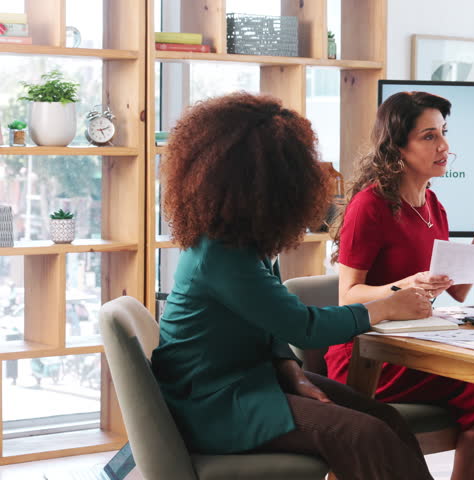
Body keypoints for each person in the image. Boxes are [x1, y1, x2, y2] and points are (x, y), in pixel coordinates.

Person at [151, 92, 435, 480]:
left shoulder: (243, 242)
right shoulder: (222, 255)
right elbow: (303, 326)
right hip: (214, 404)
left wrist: (290, 369)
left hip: (248, 381)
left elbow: (269, 321)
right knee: (363, 434)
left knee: (384, 417)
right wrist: (385, 306)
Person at [329, 91, 474, 480]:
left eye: (443, 132)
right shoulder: (370, 206)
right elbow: (346, 296)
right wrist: (405, 285)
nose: (444, 146)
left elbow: (458, 291)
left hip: (418, 341)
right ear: (397, 147)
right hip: (372, 352)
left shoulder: (433, 205)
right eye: (429, 136)